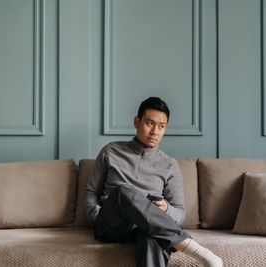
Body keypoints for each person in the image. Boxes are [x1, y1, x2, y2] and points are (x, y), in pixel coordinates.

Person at [85, 97, 223, 267]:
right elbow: (92, 192)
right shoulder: (111, 151)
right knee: (123, 192)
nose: (155, 132)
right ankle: (200, 253)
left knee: (152, 238)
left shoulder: (169, 165)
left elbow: (179, 212)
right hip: (112, 224)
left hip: (147, 226)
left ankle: (191, 248)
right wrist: (95, 214)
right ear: (137, 122)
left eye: (161, 126)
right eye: (150, 123)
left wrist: (166, 209)